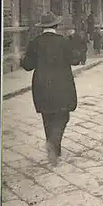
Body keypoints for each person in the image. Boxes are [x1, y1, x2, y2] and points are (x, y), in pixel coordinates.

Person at [20, 12, 80, 166]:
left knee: (47, 118)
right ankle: (53, 145)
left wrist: (21, 59)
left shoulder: (35, 42)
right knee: (63, 116)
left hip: (41, 86)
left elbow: (28, 66)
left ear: (42, 28)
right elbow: (74, 60)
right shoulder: (64, 41)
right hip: (62, 85)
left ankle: (54, 151)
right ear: (56, 26)